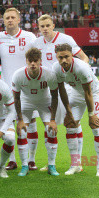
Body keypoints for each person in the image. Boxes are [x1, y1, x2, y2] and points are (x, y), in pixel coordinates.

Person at [33, 14, 89, 172]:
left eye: (47, 25)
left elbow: (84, 58)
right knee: (50, 126)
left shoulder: (66, 39)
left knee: (73, 124)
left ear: (53, 25)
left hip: (69, 87)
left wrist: (77, 74)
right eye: (42, 26)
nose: (45, 29)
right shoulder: (36, 43)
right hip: (49, 89)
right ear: (39, 27)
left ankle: (77, 163)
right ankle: (51, 163)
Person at [48, 44, 99, 177]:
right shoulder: (56, 68)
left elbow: (88, 92)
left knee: (95, 126)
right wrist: (68, 111)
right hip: (76, 93)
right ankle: (75, 164)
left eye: (66, 57)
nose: (64, 60)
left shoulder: (81, 67)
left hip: (94, 93)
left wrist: (91, 114)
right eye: (60, 57)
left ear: (72, 55)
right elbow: (61, 90)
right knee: (70, 125)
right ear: (56, 57)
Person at [0, 7, 37, 171]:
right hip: (6, 88)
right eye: (7, 18)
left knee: (31, 123)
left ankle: (31, 160)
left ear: (19, 20)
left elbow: (36, 58)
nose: (10, 20)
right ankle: (12, 160)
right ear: (3, 21)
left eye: (12, 17)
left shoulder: (30, 37)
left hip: (27, 88)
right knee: (8, 124)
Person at [12, 48, 59, 177]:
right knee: (22, 131)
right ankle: (25, 166)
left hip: (44, 102)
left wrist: (53, 120)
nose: (33, 64)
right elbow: (16, 98)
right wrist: (20, 120)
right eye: (30, 61)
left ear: (40, 62)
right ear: (26, 61)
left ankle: (51, 165)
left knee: (51, 130)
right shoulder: (18, 75)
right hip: (26, 102)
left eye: (35, 61)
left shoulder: (49, 74)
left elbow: (55, 97)